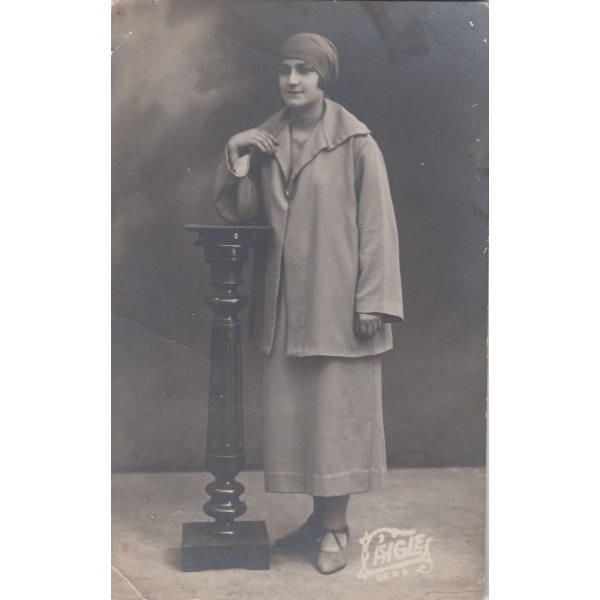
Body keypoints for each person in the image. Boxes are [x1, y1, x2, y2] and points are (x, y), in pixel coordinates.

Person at [214, 32, 403, 575]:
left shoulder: (357, 142)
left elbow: (378, 227)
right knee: (301, 421)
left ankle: (336, 529)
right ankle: (319, 521)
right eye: (285, 69)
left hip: (342, 305)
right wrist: (236, 156)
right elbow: (239, 214)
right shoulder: (265, 139)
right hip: (285, 305)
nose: (293, 80)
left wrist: (374, 301)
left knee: (337, 418)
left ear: (324, 78)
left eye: (305, 70)